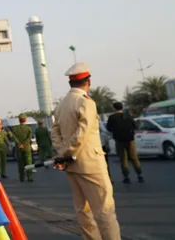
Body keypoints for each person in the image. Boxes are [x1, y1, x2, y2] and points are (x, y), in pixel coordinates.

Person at [51, 62, 121, 240]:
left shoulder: (61, 105)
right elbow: (83, 132)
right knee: (105, 210)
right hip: (90, 163)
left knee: (83, 211)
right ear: (88, 82)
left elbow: (55, 132)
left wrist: (62, 154)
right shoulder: (85, 102)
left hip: (72, 165)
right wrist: (67, 153)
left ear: (71, 83)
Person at [106, 102, 143, 184]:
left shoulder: (112, 117)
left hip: (119, 141)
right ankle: (139, 175)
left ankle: (126, 177)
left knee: (123, 159)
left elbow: (109, 128)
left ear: (114, 108)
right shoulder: (129, 116)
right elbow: (134, 126)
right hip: (130, 140)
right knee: (134, 158)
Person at [11, 114, 34, 182]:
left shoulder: (15, 128)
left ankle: (22, 177)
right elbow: (29, 138)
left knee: (20, 163)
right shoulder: (28, 128)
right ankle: (29, 177)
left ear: (19, 120)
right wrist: (24, 144)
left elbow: (13, 137)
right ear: (25, 119)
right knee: (29, 163)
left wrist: (19, 144)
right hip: (27, 148)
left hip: (19, 148)